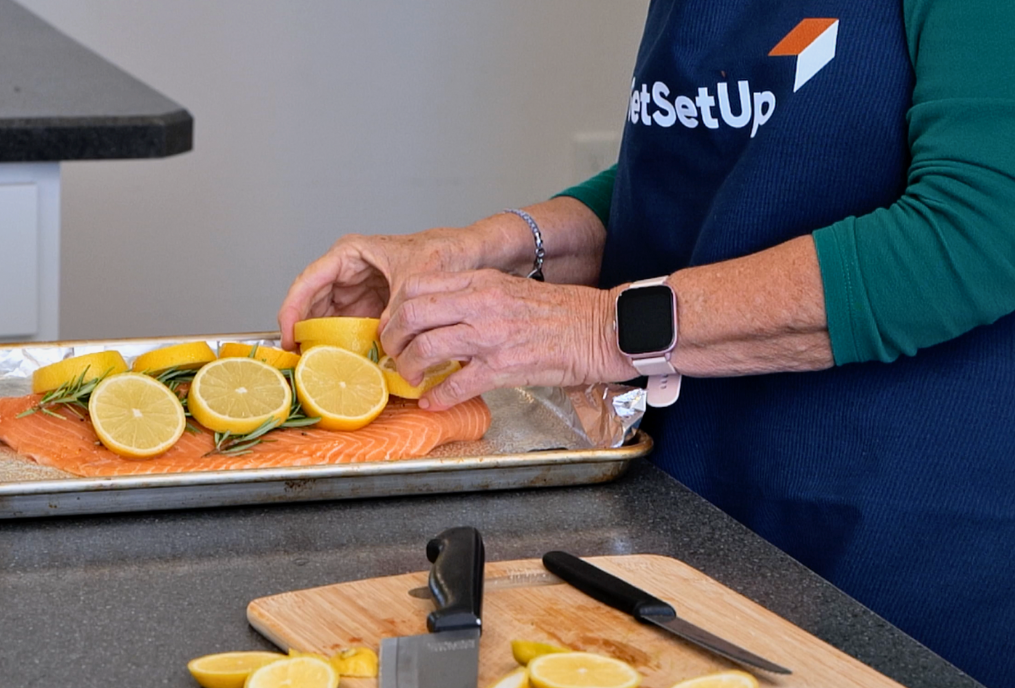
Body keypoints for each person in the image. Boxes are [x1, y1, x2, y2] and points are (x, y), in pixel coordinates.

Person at [278, 2, 1015, 686]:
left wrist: (598, 328)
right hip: (691, 507)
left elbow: (978, 229)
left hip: (897, 546)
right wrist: (492, 248)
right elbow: (703, 176)